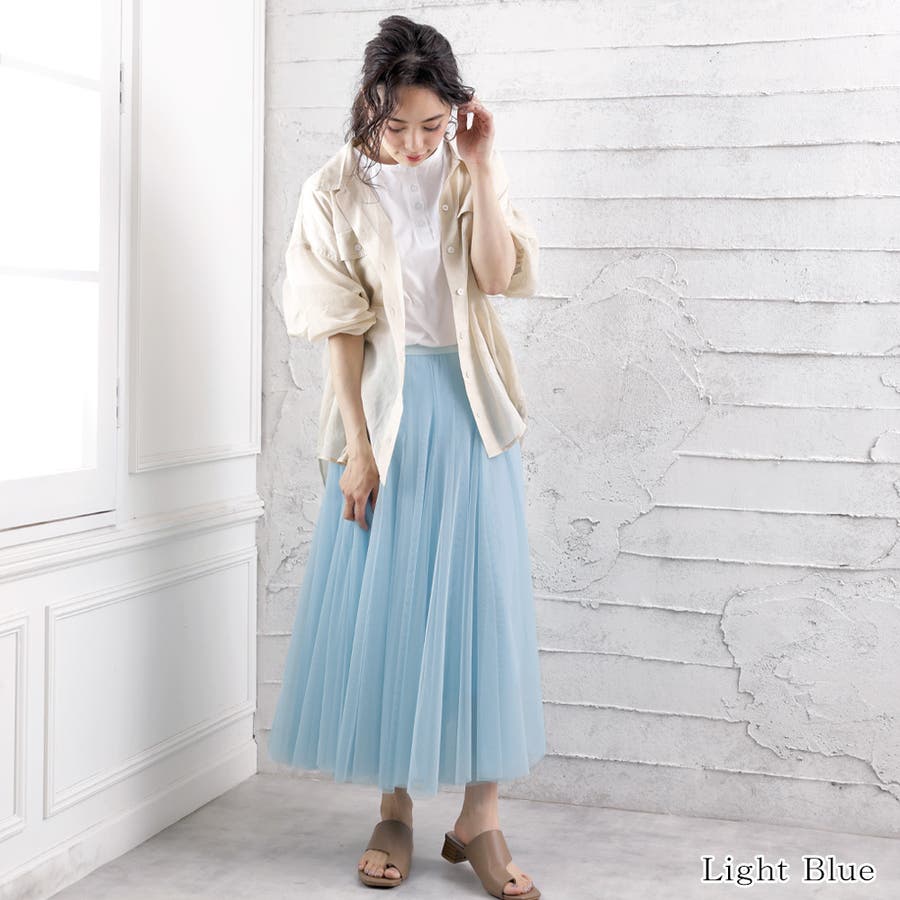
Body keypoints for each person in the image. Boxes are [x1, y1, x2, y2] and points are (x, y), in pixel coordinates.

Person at [269, 15, 544, 899]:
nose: (418, 143)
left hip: (470, 413)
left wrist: (483, 166)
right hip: (382, 417)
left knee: (480, 605)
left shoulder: (465, 172)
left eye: (434, 124)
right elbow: (341, 330)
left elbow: (496, 278)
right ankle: (395, 807)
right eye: (399, 126)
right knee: (389, 607)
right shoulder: (333, 190)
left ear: (455, 112)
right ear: (369, 106)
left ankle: (480, 818)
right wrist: (357, 450)